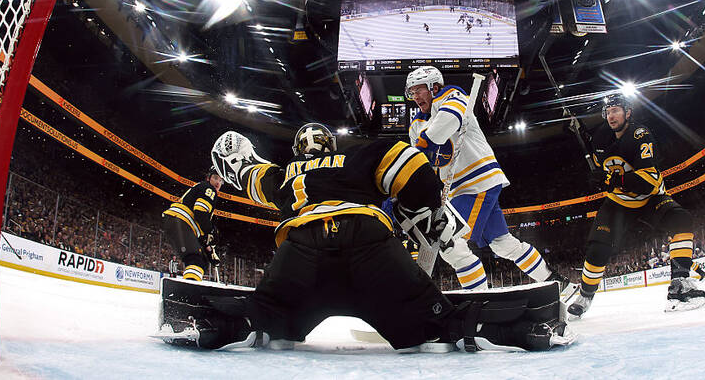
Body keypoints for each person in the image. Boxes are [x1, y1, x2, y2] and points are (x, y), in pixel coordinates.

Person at [194, 125, 572, 352]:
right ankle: (515, 328)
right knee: (437, 324)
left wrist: (243, 159)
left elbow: (246, 175)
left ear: (298, 150)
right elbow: (413, 171)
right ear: (330, 146)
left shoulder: (284, 174)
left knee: (270, 320)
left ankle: (220, 323)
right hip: (368, 243)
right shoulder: (358, 159)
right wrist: (422, 209)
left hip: (303, 250)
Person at [406, 66, 567, 291]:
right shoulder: (417, 124)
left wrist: (424, 145)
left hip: (477, 180)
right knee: (503, 245)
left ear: (434, 86)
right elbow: (424, 163)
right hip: (458, 189)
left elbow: (444, 126)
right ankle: (558, 283)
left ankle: (478, 301)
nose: (415, 97)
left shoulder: (453, 95)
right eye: (411, 92)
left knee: (451, 241)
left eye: (419, 90)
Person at [567, 94, 705, 317]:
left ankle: (680, 283)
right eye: (608, 111)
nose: (611, 115)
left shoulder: (641, 135)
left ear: (628, 113)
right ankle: (585, 295)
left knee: (681, 219)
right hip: (619, 203)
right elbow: (601, 171)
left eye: (616, 110)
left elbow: (649, 183)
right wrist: (597, 178)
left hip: (650, 198)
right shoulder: (601, 137)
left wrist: (614, 180)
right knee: (596, 248)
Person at [161, 167, 223, 281]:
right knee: (196, 260)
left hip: (175, 221)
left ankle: (187, 290)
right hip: (181, 221)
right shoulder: (209, 189)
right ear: (208, 178)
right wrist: (211, 230)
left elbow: (199, 224)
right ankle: (187, 293)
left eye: (221, 180)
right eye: (215, 178)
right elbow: (200, 212)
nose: (218, 182)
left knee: (199, 260)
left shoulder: (201, 187)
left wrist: (208, 250)